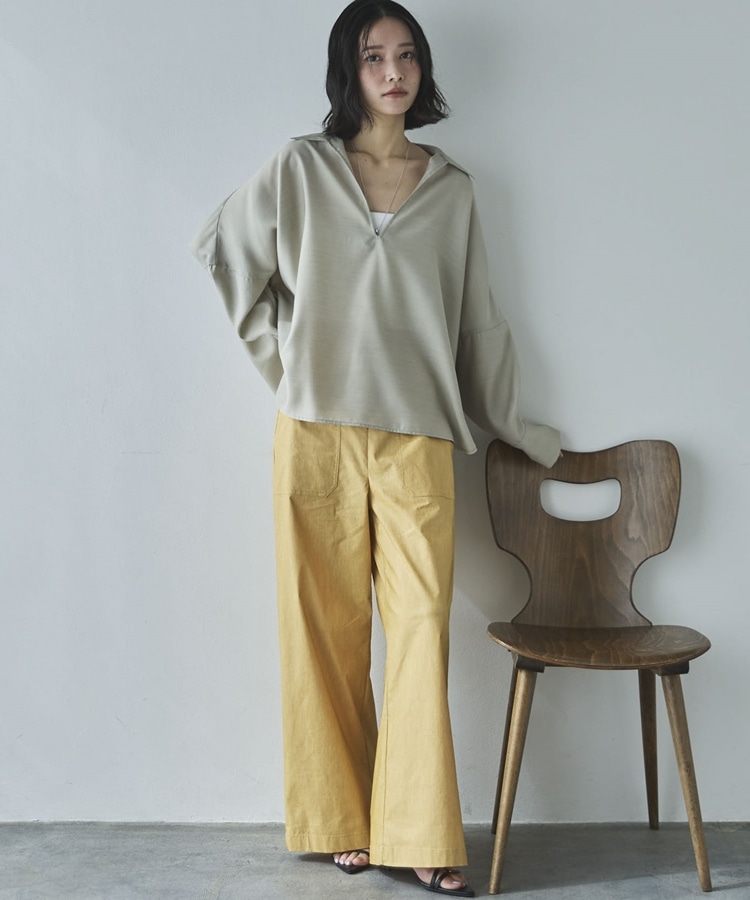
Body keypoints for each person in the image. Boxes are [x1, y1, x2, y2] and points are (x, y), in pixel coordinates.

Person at [191, 1, 560, 895]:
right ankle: (340, 820)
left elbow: (479, 324)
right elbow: (223, 250)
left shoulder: (453, 188)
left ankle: (418, 831)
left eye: (406, 56)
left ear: (422, 69)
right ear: (348, 71)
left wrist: (522, 429)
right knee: (322, 629)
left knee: (422, 628)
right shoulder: (301, 168)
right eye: (372, 57)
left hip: (417, 438)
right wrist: (287, 365)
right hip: (314, 434)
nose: (393, 73)